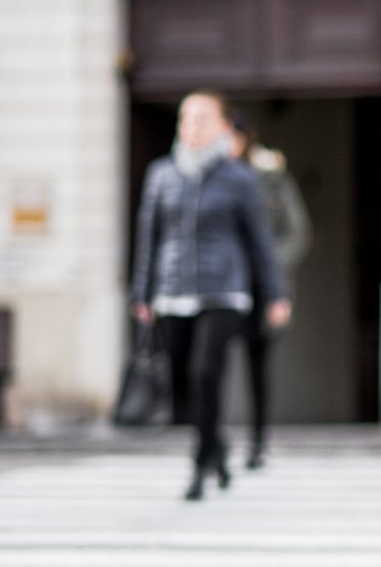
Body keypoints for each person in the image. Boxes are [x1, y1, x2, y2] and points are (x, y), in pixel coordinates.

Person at [131, 90, 291, 501]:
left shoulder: (239, 177)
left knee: (207, 373)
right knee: (183, 381)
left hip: (224, 291)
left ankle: (200, 464)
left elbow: (259, 241)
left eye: (203, 118)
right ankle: (217, 447)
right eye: (187, 118)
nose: (193, 126)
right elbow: (149, 237)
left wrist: (275, 293)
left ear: (222, 126)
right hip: (173, 291)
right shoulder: (162, 174)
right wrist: (142, 293)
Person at [228, 111, 311, 470]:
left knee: (257, 366)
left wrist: (270, 266)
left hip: (260, 288)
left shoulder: (271, 178)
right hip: (220, 285)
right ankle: (211, 438)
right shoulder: (207, 177)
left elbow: (297, 231)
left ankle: (258, 440)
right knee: (209, 365)